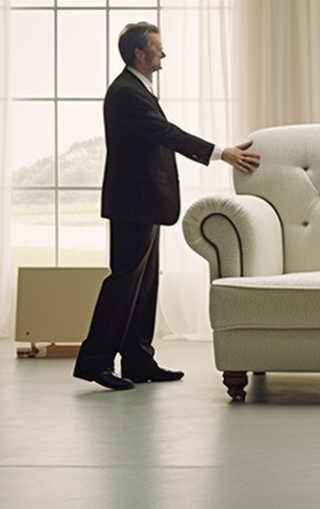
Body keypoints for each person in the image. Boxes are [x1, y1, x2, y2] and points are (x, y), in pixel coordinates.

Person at [74, 21, 261, 391]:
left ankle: (138, 361)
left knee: (143, 284)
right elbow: (166, 133)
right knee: (124, 282)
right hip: (133, 202)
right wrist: (220, 153)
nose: (164, 53)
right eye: (158, 47)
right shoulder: (127, 92)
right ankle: (95, 362)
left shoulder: (137, 89)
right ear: (139, 53)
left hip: (144, 202)